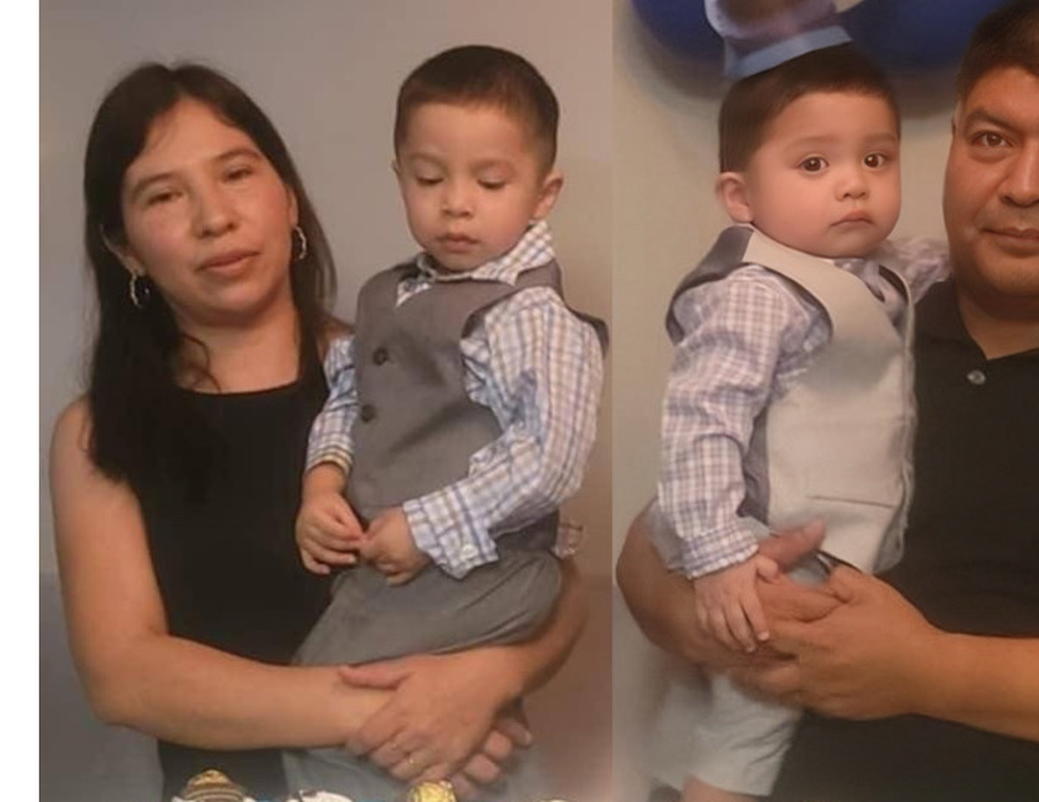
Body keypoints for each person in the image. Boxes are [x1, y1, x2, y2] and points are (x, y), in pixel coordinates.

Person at [618, 0, 1039, 802]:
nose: (1025, 184)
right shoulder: (845, 310)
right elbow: (647, 551)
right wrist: (724, 617)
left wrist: (930, 674)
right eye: (992, 139)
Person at [49, 62, 588, 802]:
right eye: (164, 195)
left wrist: (492, 677)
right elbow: (126, 677)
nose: (215, 217)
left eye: (236, 174)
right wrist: (393, 716)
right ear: (125, 247)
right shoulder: (97, 433)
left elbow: (550, 572)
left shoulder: (404, 366)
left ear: (288, 197)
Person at [284, 45, 606, 802]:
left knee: (334, 693)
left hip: (488, 568)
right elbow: (351, 396)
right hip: (398, 564)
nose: (456, 203)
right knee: (376, 705)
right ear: (399, 175)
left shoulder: (531, 315)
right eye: (429, 179)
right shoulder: (388, 295)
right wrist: (322, 481)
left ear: (544, 192)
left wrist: (427, 526)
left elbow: (551, 458)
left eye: (490, 182)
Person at [644, 44, 947, 802]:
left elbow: (920, 269)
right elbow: (700, 423)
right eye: (814, 164)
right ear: (741, 196)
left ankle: (672, 778)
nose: (854, 183)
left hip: (812, 532)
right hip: (759, 537)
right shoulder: (757, 294)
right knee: (759, 711)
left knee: (708, 703)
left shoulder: (881, 270)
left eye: (876, 159)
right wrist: (719, 556)